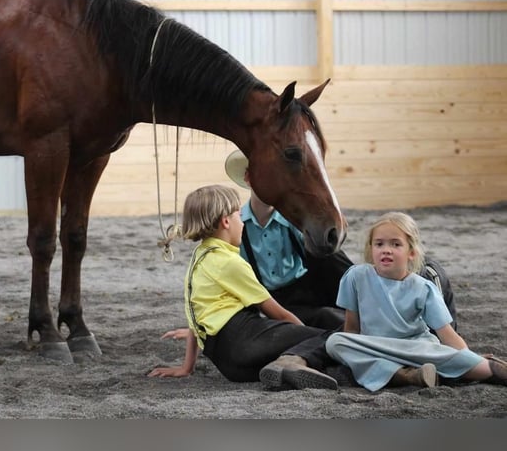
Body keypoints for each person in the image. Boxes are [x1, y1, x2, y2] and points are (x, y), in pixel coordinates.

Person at [148, 184, 338, 390]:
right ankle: (295, 360)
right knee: (330, 339)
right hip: (245, 340)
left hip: (229, 366)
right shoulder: (230, 262)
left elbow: (194, 318)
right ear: (226, 221)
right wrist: (307, 336)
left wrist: (186, 367)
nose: (243, 223)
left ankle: (287, 365)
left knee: (306, 347)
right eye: (239, 215)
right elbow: (279, 314)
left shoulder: (199, 257)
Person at [325, 211, 507, 391]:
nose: (386, 249)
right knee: (336, 342)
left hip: (418, 347)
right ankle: (408, 375)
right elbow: (352, 329)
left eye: (396, 244)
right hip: (376, 347)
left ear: (411, 252)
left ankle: (491, 370)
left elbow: (447, 335)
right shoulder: (356, 277)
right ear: (371, 248)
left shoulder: (424, 288)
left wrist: (468, 356)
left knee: (438, 351)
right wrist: (356, 351)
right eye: (379, 244)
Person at [224, 149, 350, 330]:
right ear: (248, 178)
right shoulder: (238, 225)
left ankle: (364, 299)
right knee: (327, 318)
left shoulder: (293, 217)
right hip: (278, 303)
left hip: (310, 287)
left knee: (330, 252)